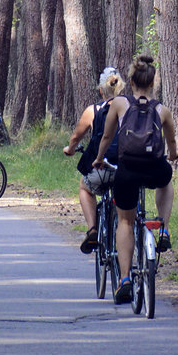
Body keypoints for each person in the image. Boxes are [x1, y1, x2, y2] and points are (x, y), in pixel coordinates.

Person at [92, 53, 178, 304]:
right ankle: (162, 225)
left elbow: (107, 138)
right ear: (153, 83)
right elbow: (171, 143)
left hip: (127, 170)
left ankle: (125, 278)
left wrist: (98, 159)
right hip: (154, 168)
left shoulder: (119, 104)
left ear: (130, 81)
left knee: (125, 223)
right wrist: (172, 155)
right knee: (166, 179)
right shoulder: (162, 110)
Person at [63, 67, 125, 252]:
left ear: (101, 90)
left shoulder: (94, 110)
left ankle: (92, 229)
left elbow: (75, 138)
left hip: (102, 167)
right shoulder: (129, 108)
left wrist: (70, 149)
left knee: (84, 186)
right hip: (126, 168)